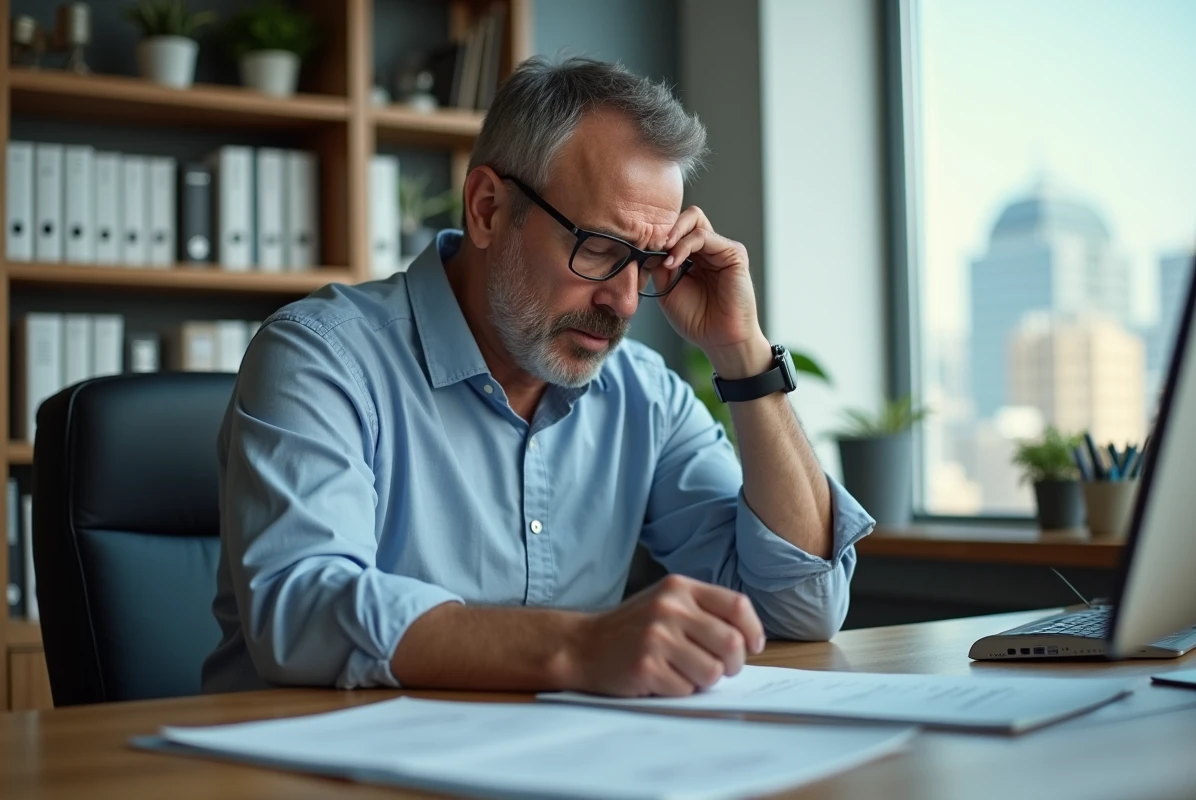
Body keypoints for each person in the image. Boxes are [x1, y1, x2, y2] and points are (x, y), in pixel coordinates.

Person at [202, 57, 874, 698]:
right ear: (489, 209)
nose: (624, 300)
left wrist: (742, 351)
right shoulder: (321, 357)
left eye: (647, 260)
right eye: (601, 249)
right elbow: (304, 608)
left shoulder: (646, 396)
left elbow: (801, 605)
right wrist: (579, 648)